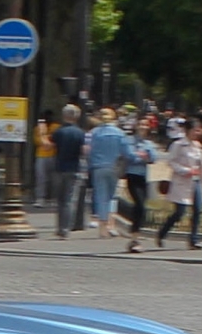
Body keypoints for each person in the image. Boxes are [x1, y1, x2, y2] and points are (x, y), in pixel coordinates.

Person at [157, 124, 202, 249]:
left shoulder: (198, 146)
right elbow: (171, 162)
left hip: (195, 181)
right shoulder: (178, 145)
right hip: (182, 182)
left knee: (198, 209)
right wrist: (185, 170)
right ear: (187, 130)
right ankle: (162, 232)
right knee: (180, 212)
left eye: (199, 130)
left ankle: (194, 239)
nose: (197, 133)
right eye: (195, 130)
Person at [85, 108, 128, 238]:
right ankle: (112, 225)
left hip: (98, 167)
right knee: (113, 196)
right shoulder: (120, 133)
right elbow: (125, 152)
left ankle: (102, 228)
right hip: (114, 167)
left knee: (101, 197)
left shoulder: (95, 133)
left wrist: (91, 164)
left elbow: (90, 152)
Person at [48, 105, 90, 237]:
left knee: (60, 200)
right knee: (69, 200)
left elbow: (49, 146)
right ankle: (65, 229)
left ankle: (60, 227)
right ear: (76, 116)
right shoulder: (80, 133)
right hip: (75, 168)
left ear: (64, 116)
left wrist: (43, 133)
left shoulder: (59, 131)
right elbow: (84, 151)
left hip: (59, 167)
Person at [120, 117, 155, 250]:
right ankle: (135, 238)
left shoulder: (149, 143)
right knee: (139, 204)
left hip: (143, 177)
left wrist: (142, 155)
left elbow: (153, 157)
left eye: (145, 125)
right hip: (132, 175)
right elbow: (129, 156)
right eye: (140, 124)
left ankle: (134, 238)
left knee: (141, 207)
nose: (143, 126)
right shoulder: (128, 140)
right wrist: (142, 156)